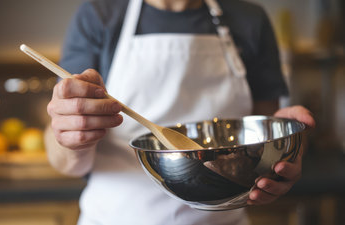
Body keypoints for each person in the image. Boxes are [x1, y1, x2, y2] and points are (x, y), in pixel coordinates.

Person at [45, 0, 316, 224]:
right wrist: (71, 135)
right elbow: (65, 160)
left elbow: (260, 135)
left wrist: (283, 148)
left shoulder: (249, 19)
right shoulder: (99, 16)